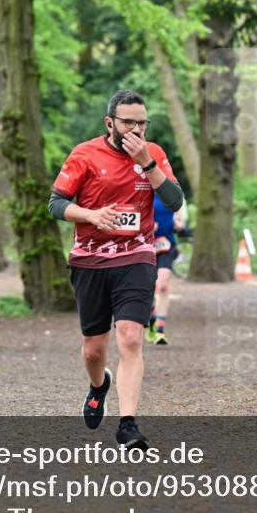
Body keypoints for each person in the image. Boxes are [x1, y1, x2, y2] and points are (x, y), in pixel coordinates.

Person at [48, 90, 184, 449]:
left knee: (130, 337)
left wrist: (148, 164)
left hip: (137, 256)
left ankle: (128, 424)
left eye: (141, 122)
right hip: (90, 258)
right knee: (94, 349)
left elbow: (174, 200)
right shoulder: (84, 154)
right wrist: (91, 215)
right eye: (128, 122)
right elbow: (55, 203)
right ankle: (98, 386)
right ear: (110, 123)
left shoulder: (153, 154)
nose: (135, 129)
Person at [146, 196, 182, 346]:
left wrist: (178, 223)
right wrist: (146, 226)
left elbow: (179, 212)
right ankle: (150, 316)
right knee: (146, 288)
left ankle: (160, 330)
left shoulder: (169, 188)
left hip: (166, 245)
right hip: (144, 245)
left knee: (162, 285)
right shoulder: (139, 187)